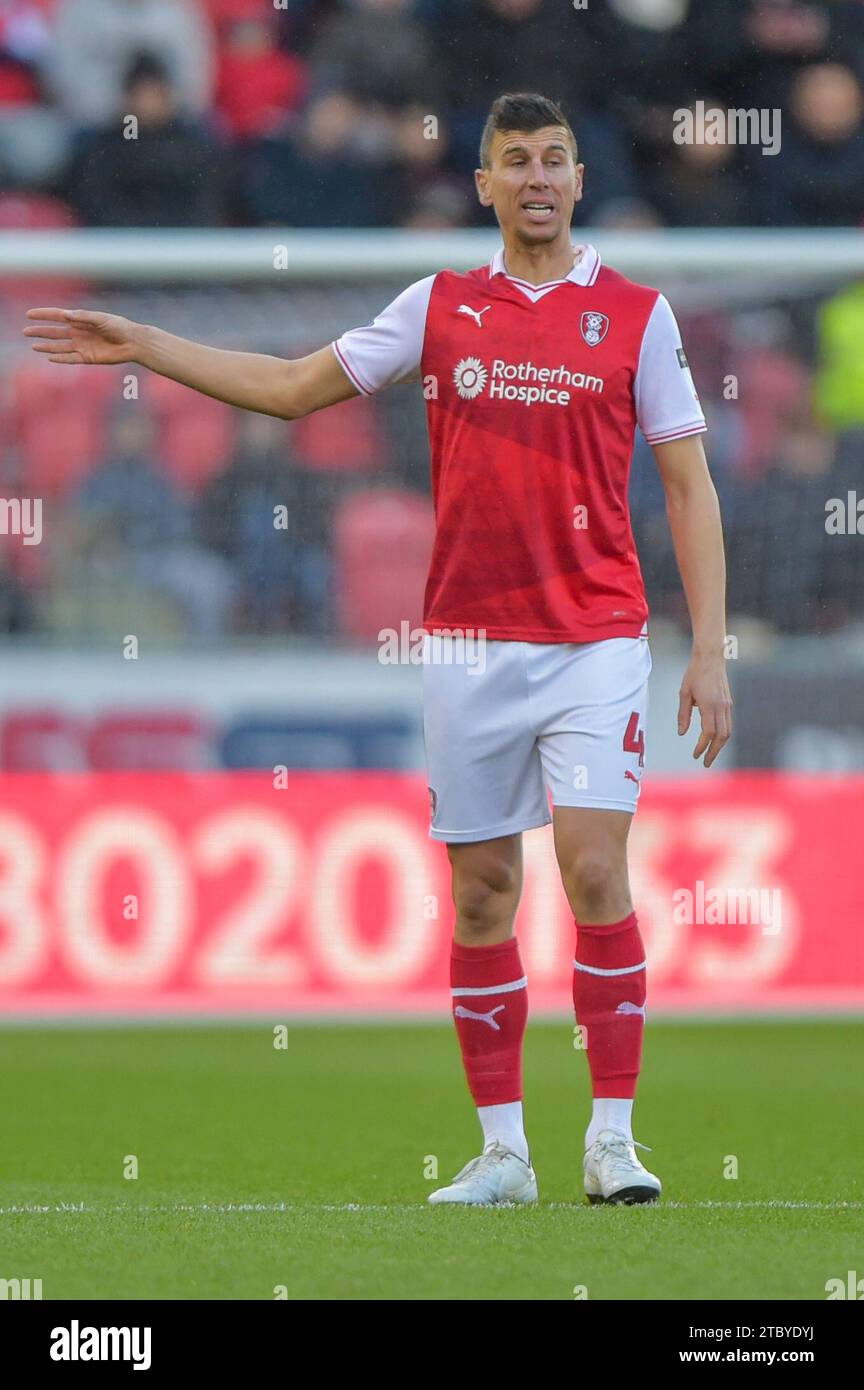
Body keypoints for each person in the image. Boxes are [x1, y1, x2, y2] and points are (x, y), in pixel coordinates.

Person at [24, 91, 732, 1207]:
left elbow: (688, 485)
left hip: (597, 634)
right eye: (515, 161)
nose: (538, 177)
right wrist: (146, 344)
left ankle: (612, 1137)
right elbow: (294, 390)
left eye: (556, 158)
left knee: (595, 867)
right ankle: (504, 1153)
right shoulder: (438, 306)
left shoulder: (638, 316)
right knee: (485, 893)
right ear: (487, 184)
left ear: (580, 181)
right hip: (466, 641)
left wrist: (710, 648)